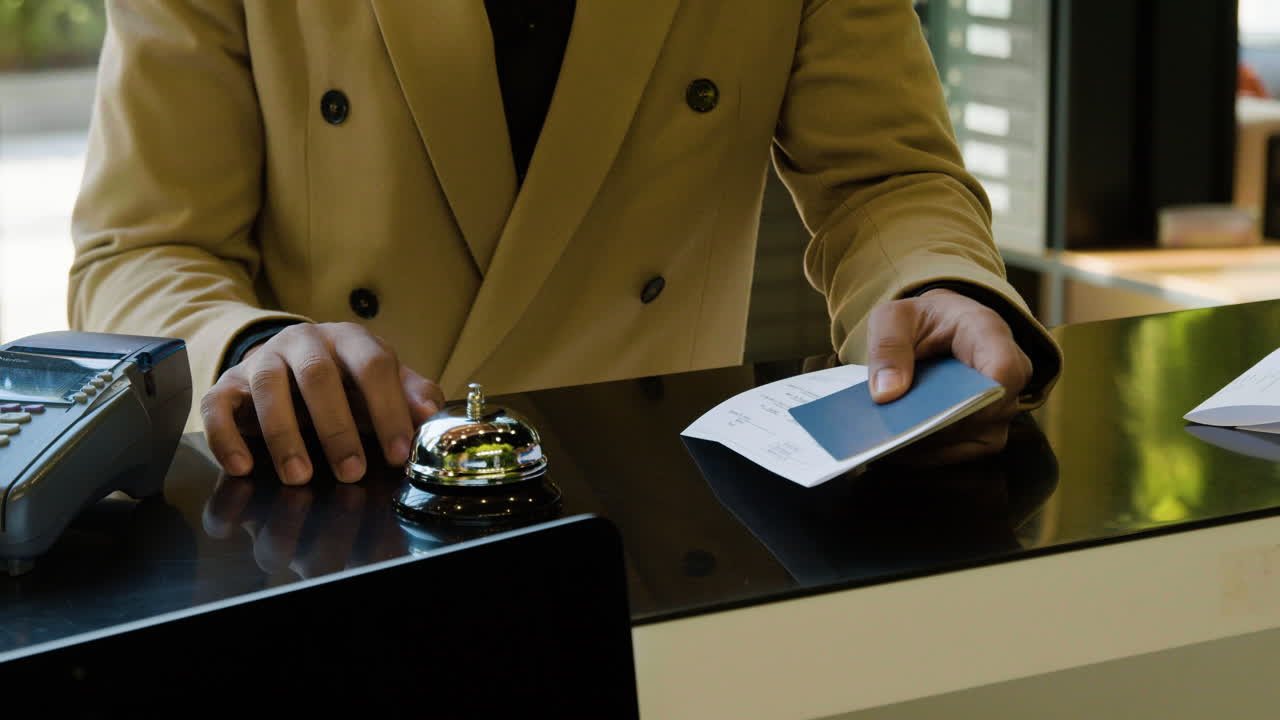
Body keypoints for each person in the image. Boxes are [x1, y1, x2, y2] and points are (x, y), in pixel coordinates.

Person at [70, 0, 1061, 486]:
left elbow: (883, 178)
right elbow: (141, 249)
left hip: (648, 526)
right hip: (330, 517)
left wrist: (938, 283)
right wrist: (254, 350)